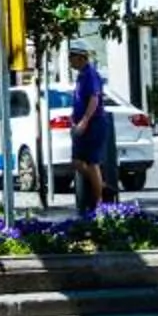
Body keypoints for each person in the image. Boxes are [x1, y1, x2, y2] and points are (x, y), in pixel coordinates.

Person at [66, 46, 117, 212]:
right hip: (82, 124)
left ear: (81, 58)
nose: (70, 61)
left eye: (72, 57)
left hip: (94, 124)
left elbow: (94, 99)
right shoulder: (81, 76)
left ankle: (99, 202)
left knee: (92, 162)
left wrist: (85, 121)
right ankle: (102, 186)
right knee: (77, 161)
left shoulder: (90, 75)